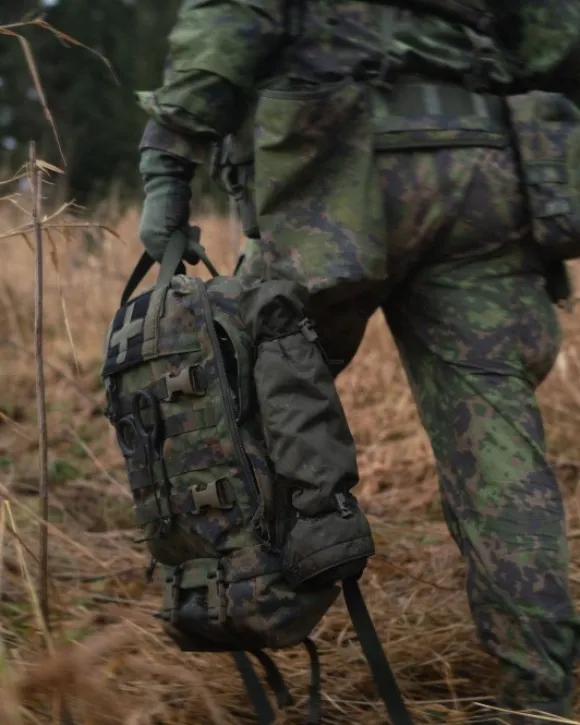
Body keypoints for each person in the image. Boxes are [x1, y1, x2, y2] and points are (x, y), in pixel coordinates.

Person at [134, 2, 580, 722]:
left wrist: (168, 163)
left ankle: (235, 612)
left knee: (236, 405)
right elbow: (557, 36)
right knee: (500, 450)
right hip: (479, 170)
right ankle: (540, 696)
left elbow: (236, 14)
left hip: (330, 168)